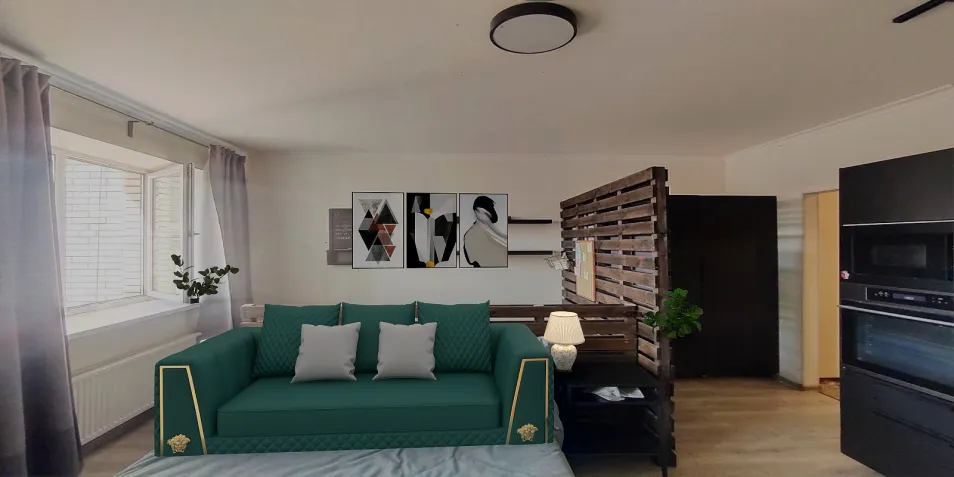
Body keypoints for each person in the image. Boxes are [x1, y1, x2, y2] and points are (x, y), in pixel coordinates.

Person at [462, 196, 507, 267]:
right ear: (476, 211)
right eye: (485, 214)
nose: (487, 218)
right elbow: (473, 259)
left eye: (488, 215)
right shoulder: (471, 235)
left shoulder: (490, 231)